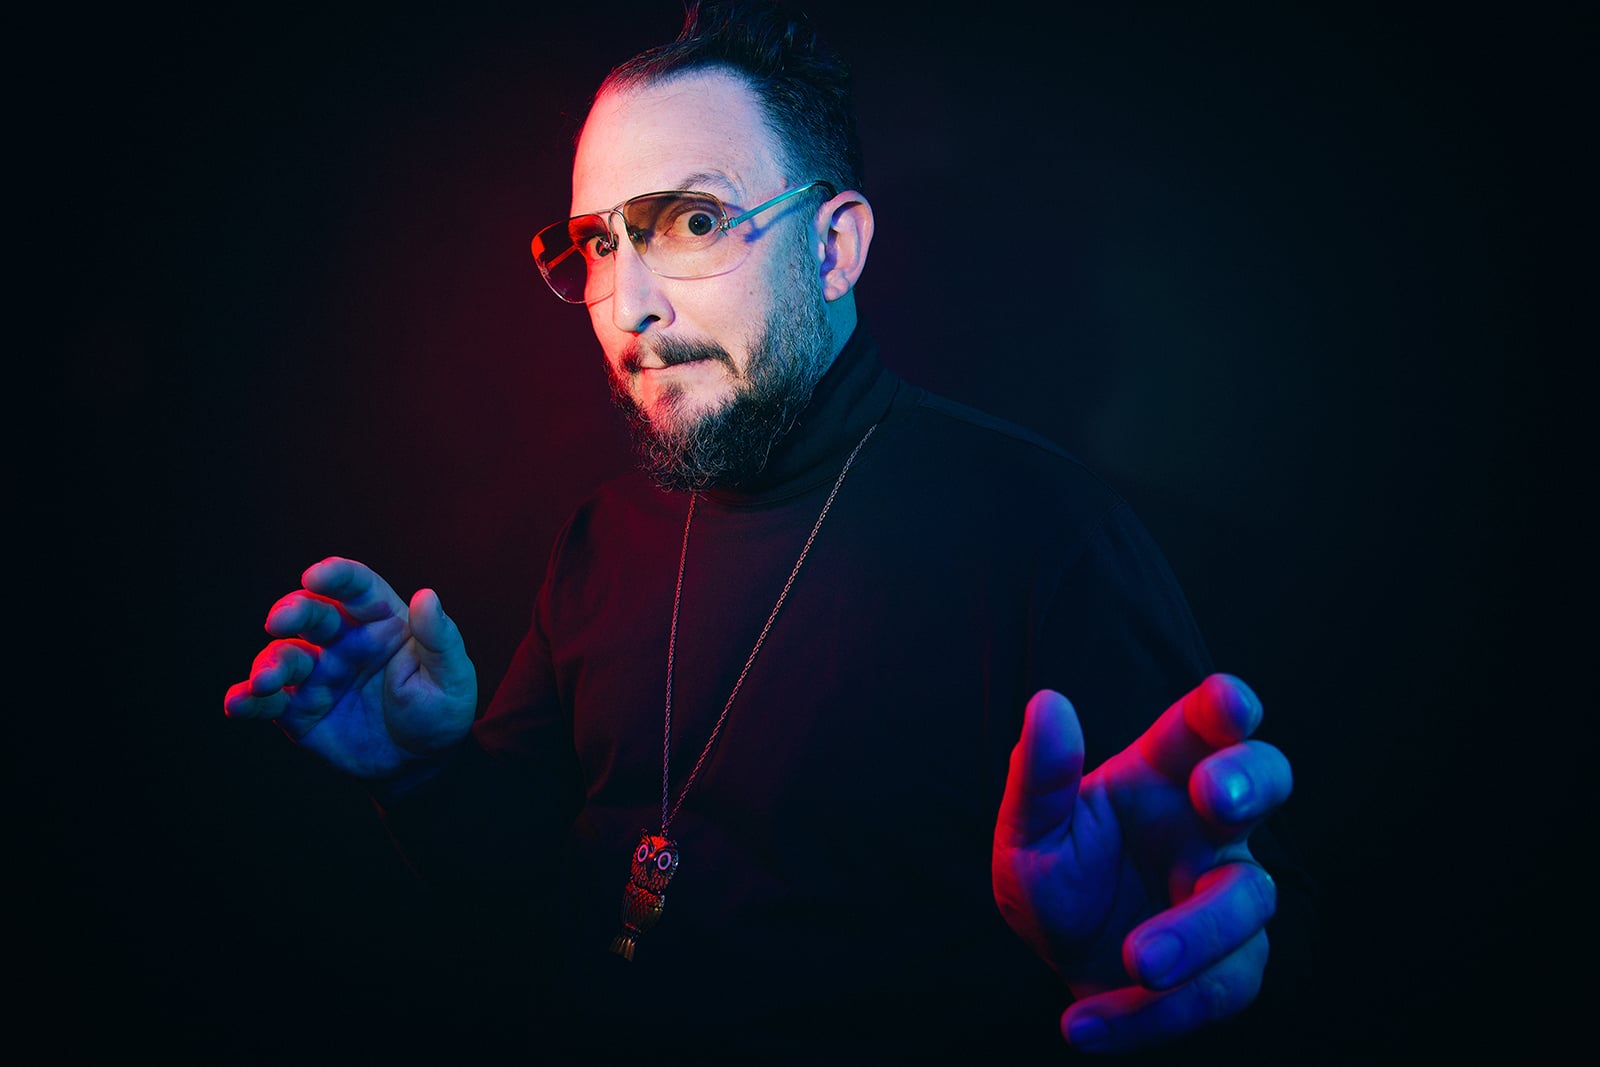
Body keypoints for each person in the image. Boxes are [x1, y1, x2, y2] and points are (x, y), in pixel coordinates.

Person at [224, 2, 1308, 1061]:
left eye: (692, 222)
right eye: (598, 244)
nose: (629, 306)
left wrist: (1137, 957)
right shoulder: (600, 536)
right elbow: (523, 883)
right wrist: (418, 774)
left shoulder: (1048, 536)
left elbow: (1188, 910)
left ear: (834, 249)